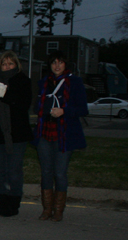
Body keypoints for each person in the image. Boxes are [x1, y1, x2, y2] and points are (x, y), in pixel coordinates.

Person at [33, 51, 88, 222]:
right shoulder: (43, 83)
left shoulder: (75, 82)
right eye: (54, 63)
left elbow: (83, 109)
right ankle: (47, 209)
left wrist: (64, 111)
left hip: (64, 133)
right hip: (45, 132)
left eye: (60, 62)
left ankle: (58, 210)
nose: (57, 66)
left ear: (66, 64)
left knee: (60, 173)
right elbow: (37, 107)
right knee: (46, 172)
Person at [0, 51, 33, 217]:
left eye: (10, 64)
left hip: (16, 133)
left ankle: (13, 203)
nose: (7, 67)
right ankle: (2, 202)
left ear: (16, 65)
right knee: (0, 170)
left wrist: (6, 95)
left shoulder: (23, 80)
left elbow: (24, 105)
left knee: (14, 170)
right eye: (4, 64)